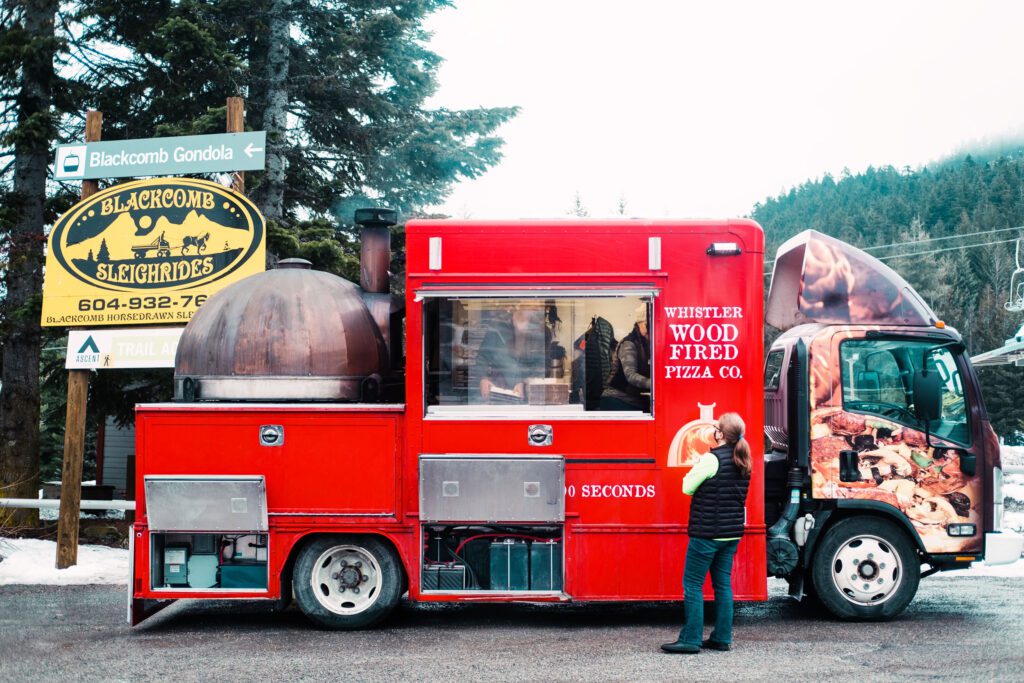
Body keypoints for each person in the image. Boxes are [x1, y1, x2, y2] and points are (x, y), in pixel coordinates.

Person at [661, 412, 752, 654]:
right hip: (731, 534)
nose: (713, 429)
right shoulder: (743, 459)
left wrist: (696, 468)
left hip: (707, 534)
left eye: (716, 427)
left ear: (720, 434)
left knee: (692, 584)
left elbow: (687, 487)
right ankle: (722, 638)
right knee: (722, 585)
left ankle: (691, 640)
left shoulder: (711, 459)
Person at [476, 303, 547, 402]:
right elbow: (483, 356)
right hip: (497, 393)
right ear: (519, 304)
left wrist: (524, 383)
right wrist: (483, 378)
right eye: (532, 302)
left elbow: (539, 366)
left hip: (524, 397)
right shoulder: (498, 325)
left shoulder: (539, 330)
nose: (537, 306)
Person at [599, 304, 650, 411]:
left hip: (634, 400)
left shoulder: (646, 343)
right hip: (617, 400)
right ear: (639, 324)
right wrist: (656, 383)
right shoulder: (629, 344)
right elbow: (631, 375)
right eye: (647, 325)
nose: (650, 330)